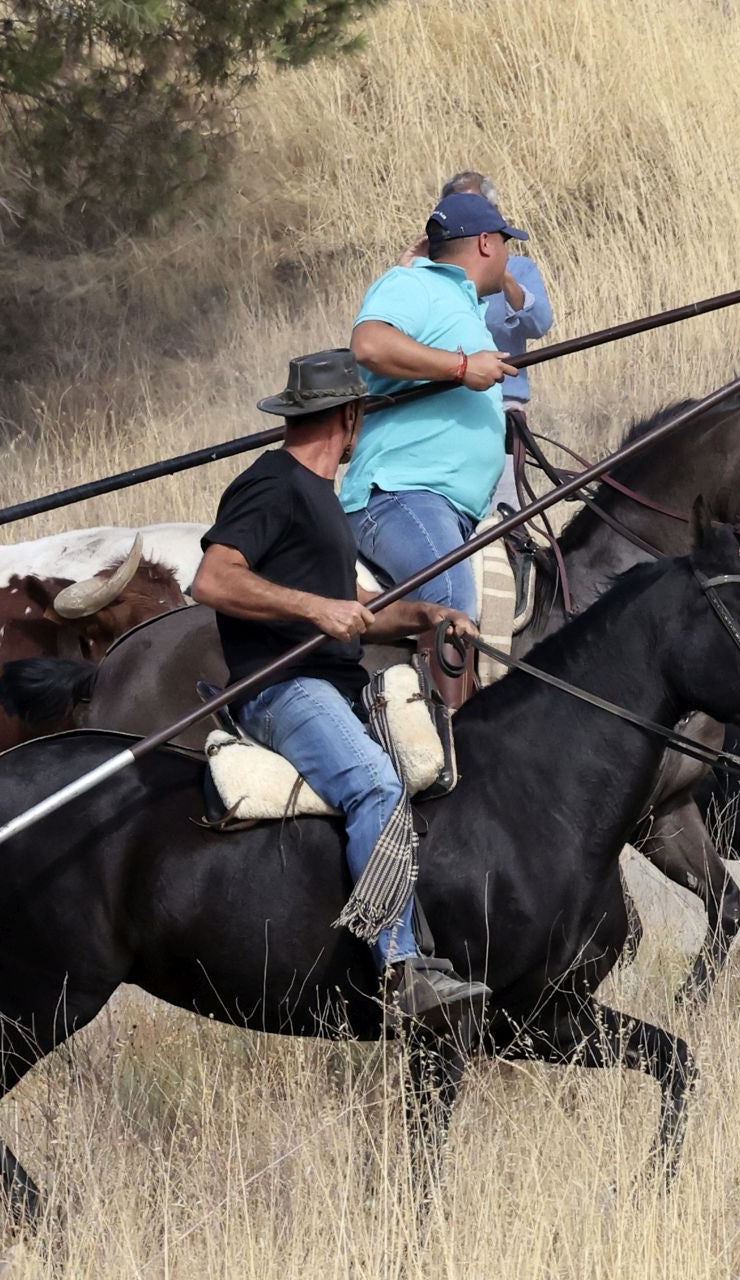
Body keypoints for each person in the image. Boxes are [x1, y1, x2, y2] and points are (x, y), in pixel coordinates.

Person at [192, 349, 491, 1029]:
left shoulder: (321, 499)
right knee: (376, 787)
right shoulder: (272, 484)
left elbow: (351, 602)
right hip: (282, 690)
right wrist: (312, 609)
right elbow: (212, 579)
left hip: (334, 685)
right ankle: (399, 972)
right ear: (350, 417)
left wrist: (427, 614)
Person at [346, 191, 527, 621]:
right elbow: (369, 344)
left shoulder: (461, 304)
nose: (507, 256)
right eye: (506, 243)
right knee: (450, 600)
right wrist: (462, 367)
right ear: (486, 243)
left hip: (450, 508)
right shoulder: (414, 283)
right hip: (403, 495)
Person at [436, 171, 555, 513]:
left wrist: (501, 274)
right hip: (447, 406)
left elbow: (540, 323)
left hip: (502, 410)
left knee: (505, 516)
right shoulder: (431, 274)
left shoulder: (521, 267)